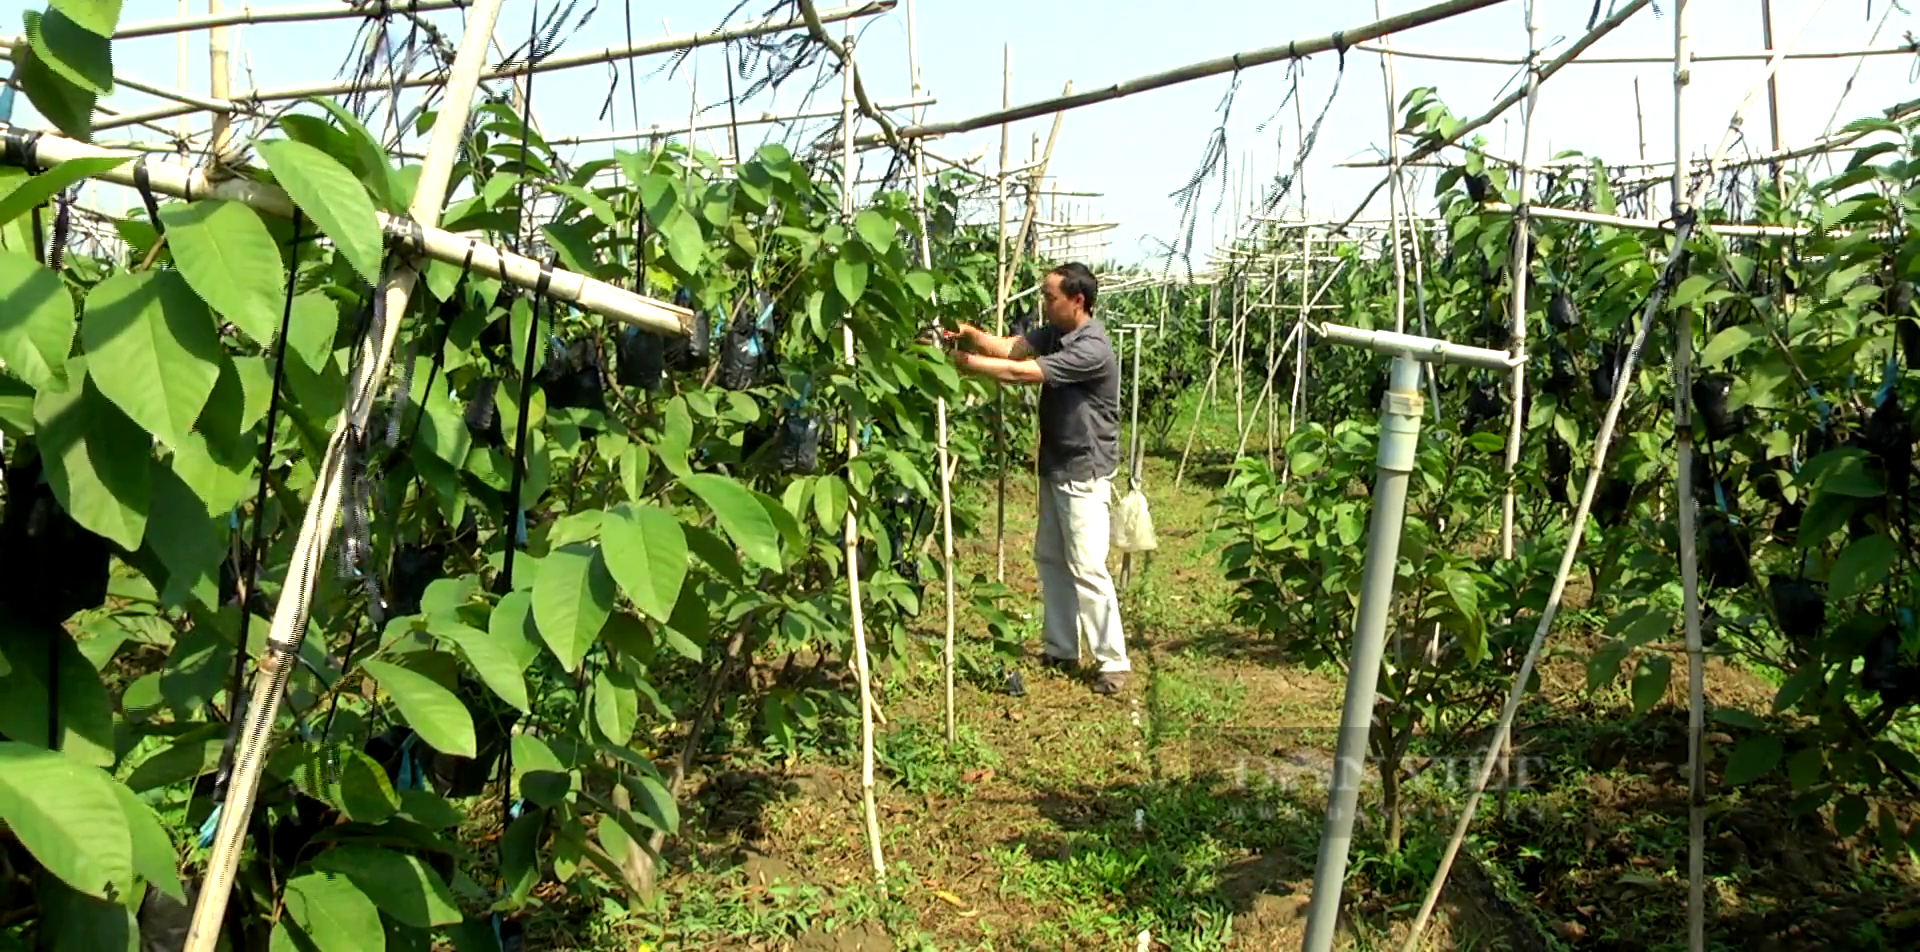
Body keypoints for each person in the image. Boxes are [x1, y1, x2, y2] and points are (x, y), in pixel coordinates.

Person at [945, 262, 1130, 695]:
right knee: (1051, 558)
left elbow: (1020, 373)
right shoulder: (1058, 332)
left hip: (1083, 469)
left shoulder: (1092, 347)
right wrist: (965, 332)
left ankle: (1113, 662)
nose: (1042, 304)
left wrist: (962, 362)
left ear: (1077, 300)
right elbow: (1012, 349)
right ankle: (1062, 647)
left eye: (1049, 297)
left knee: (1087, 566)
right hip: (1056, 463)